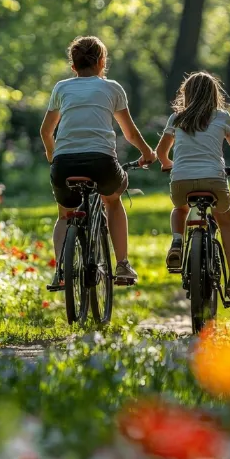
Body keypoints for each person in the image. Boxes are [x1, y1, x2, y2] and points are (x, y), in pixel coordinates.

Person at [40, 35, 155, 288]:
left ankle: (61, 270)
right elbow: (130, 133)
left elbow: (46, 132)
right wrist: (148, 153)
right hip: (102, 162)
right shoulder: (112, 88)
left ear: (73, 66)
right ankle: (122, 264)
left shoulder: (61, 88)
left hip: (64, 164)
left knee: (65, 215)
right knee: (112, 201)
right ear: (102, 62)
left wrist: (53, 156)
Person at [156, 71, 230, 298]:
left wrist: (169, 164)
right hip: (214, 180)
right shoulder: (222, 117)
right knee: (225, 221)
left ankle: (177, 242)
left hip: (181, 180)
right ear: (214, 94)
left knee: (180, 209)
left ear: (186, 94)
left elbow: (160, 152)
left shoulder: (176, 118)